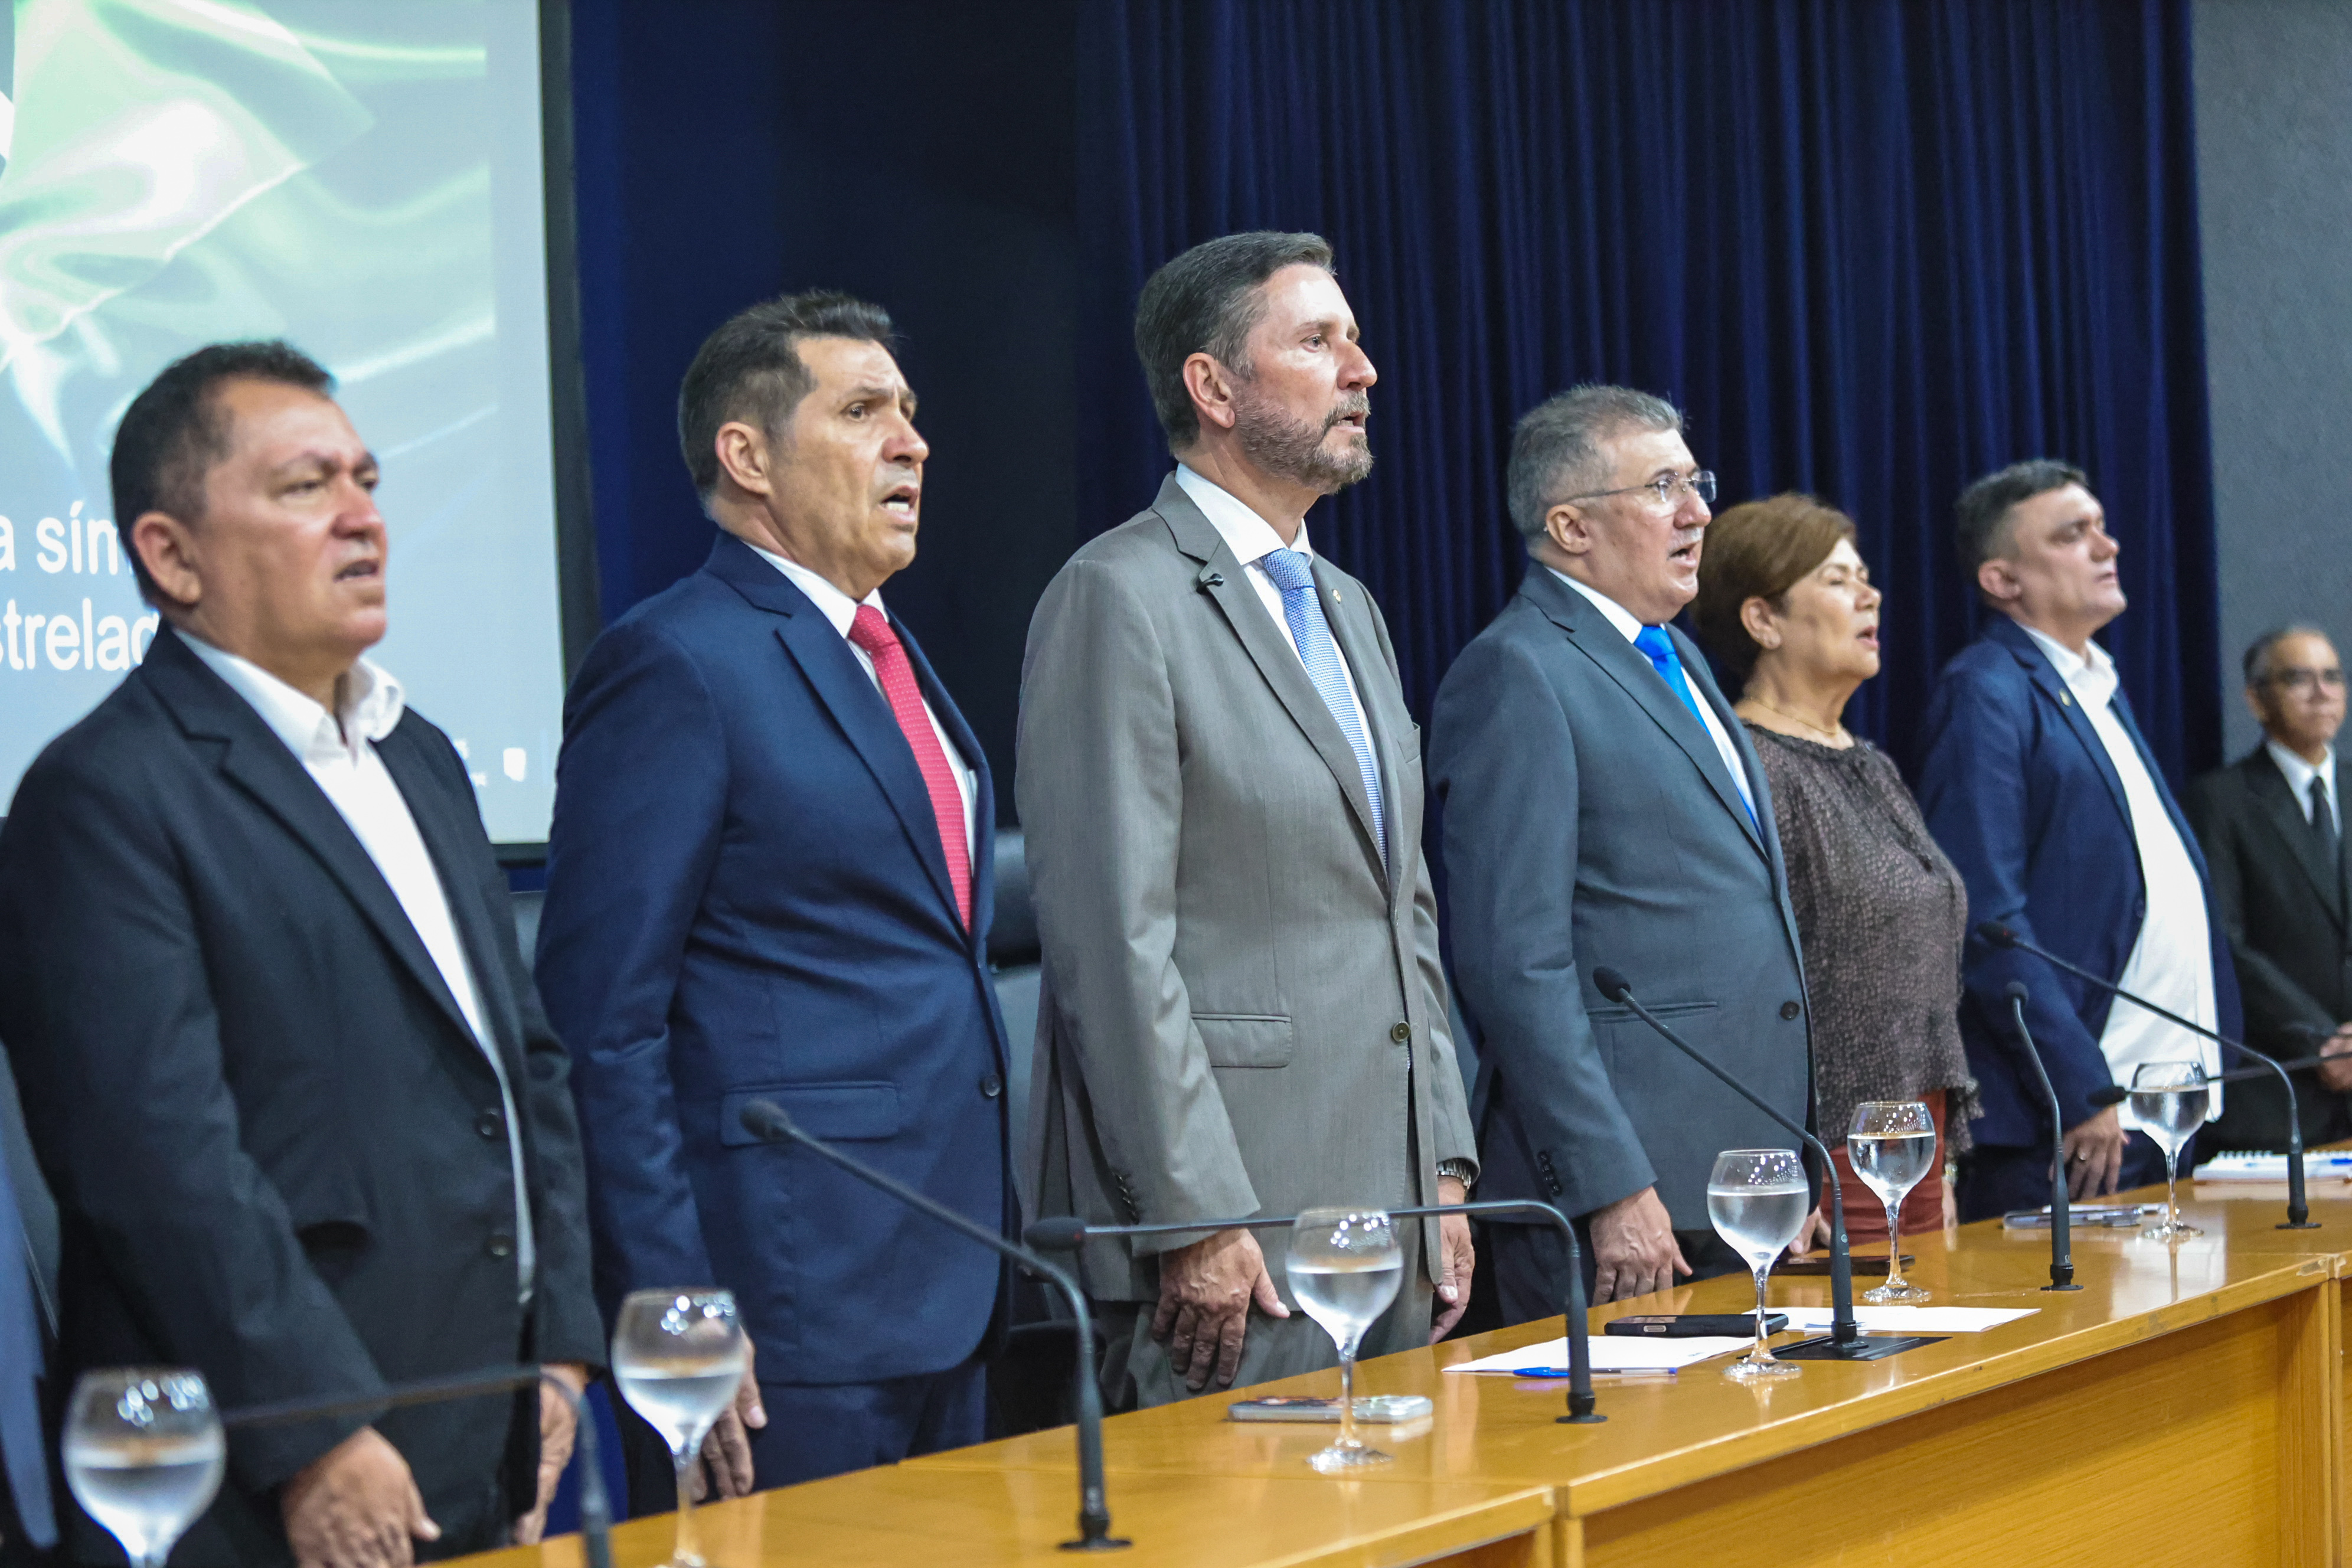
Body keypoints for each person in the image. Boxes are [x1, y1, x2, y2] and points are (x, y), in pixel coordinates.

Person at [0, 341, 600, 1565]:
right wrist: (318, 1432)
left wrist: (562, 1344)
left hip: (474, 1422)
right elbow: (157, 1162)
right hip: (264, 1474)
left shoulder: (419, 755)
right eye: (304, 486)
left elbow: (524, 1067)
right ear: (171, 555)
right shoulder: (104, 795)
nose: (362, 516)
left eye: (366, 479)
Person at [535, 292, 1011, 1496]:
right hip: (781, 1316)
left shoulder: (891, 656)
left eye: (909, 411)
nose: (912, 442)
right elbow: (602, 1022)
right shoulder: (675, 662)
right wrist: (675, 1304)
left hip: (957, 1280)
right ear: (747, 457)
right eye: (862, 412)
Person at [1018, 231, 1477, 1407]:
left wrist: (1444, 1166)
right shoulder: (1116, 594)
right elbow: (1112, 942)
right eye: (1317, 341)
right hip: (1238, 1230)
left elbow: (1403, 907)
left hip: (1392, 1212)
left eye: (1354, 341)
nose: (1361, 370)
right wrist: (1196, 1213)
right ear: (1212, 387)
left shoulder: (1350, 606)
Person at [1427, 386, 1809, 1318]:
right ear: (1571, 527)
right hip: (1629, 1202)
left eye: (1697, 483)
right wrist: (1609, 1185)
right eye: (1662, 488)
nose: (1698, 513)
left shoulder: (1675, 654)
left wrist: (1789, 1156)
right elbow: (1513, 961)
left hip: (1738, 1180)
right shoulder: (1518, 670)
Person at [1917, 460, 2240, 1220]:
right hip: (2077, 1122)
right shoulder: (1987, 688)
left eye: (2101, 526)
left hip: (2164, 1107)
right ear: (2003, 579)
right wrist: (2079, 1086)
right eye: (2072, 534)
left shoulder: (2097, 683)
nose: (2107, 545)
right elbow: (1986, 919)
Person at [1689, 494, 1972, 1247]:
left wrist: (1942, 1162)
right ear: (1763, 619)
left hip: (1915, 1150)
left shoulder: (1872, 764)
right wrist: (1782, 1159)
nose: (1870, 595)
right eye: (1838, 580)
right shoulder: (1750, 768)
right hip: (1822, 1162)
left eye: (1866, 578)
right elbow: (1739, 988)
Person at [2186, 627, 2352, 1151]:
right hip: (2278, 1092)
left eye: (2332, 677)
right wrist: (2323, 1042)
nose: (2322, 693)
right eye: (2299, 678)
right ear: (2257, 699)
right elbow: (2225, 941)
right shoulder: (2220, 801)